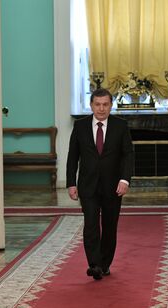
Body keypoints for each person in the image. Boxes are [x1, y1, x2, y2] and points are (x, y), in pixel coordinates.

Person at [66, 88, 134, 280]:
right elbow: (73, 156)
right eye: (98, 104)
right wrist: (71, 183)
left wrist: (125, 179)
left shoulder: (121, 126)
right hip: (88, 185)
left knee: (109, 226)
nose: (101, 108)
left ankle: (105, 264)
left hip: (113, 186)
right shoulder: (80, 126)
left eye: (105, 104)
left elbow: (128, 155)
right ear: (91, 105)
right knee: (91, 225)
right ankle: (94, 264)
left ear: (111, 105)